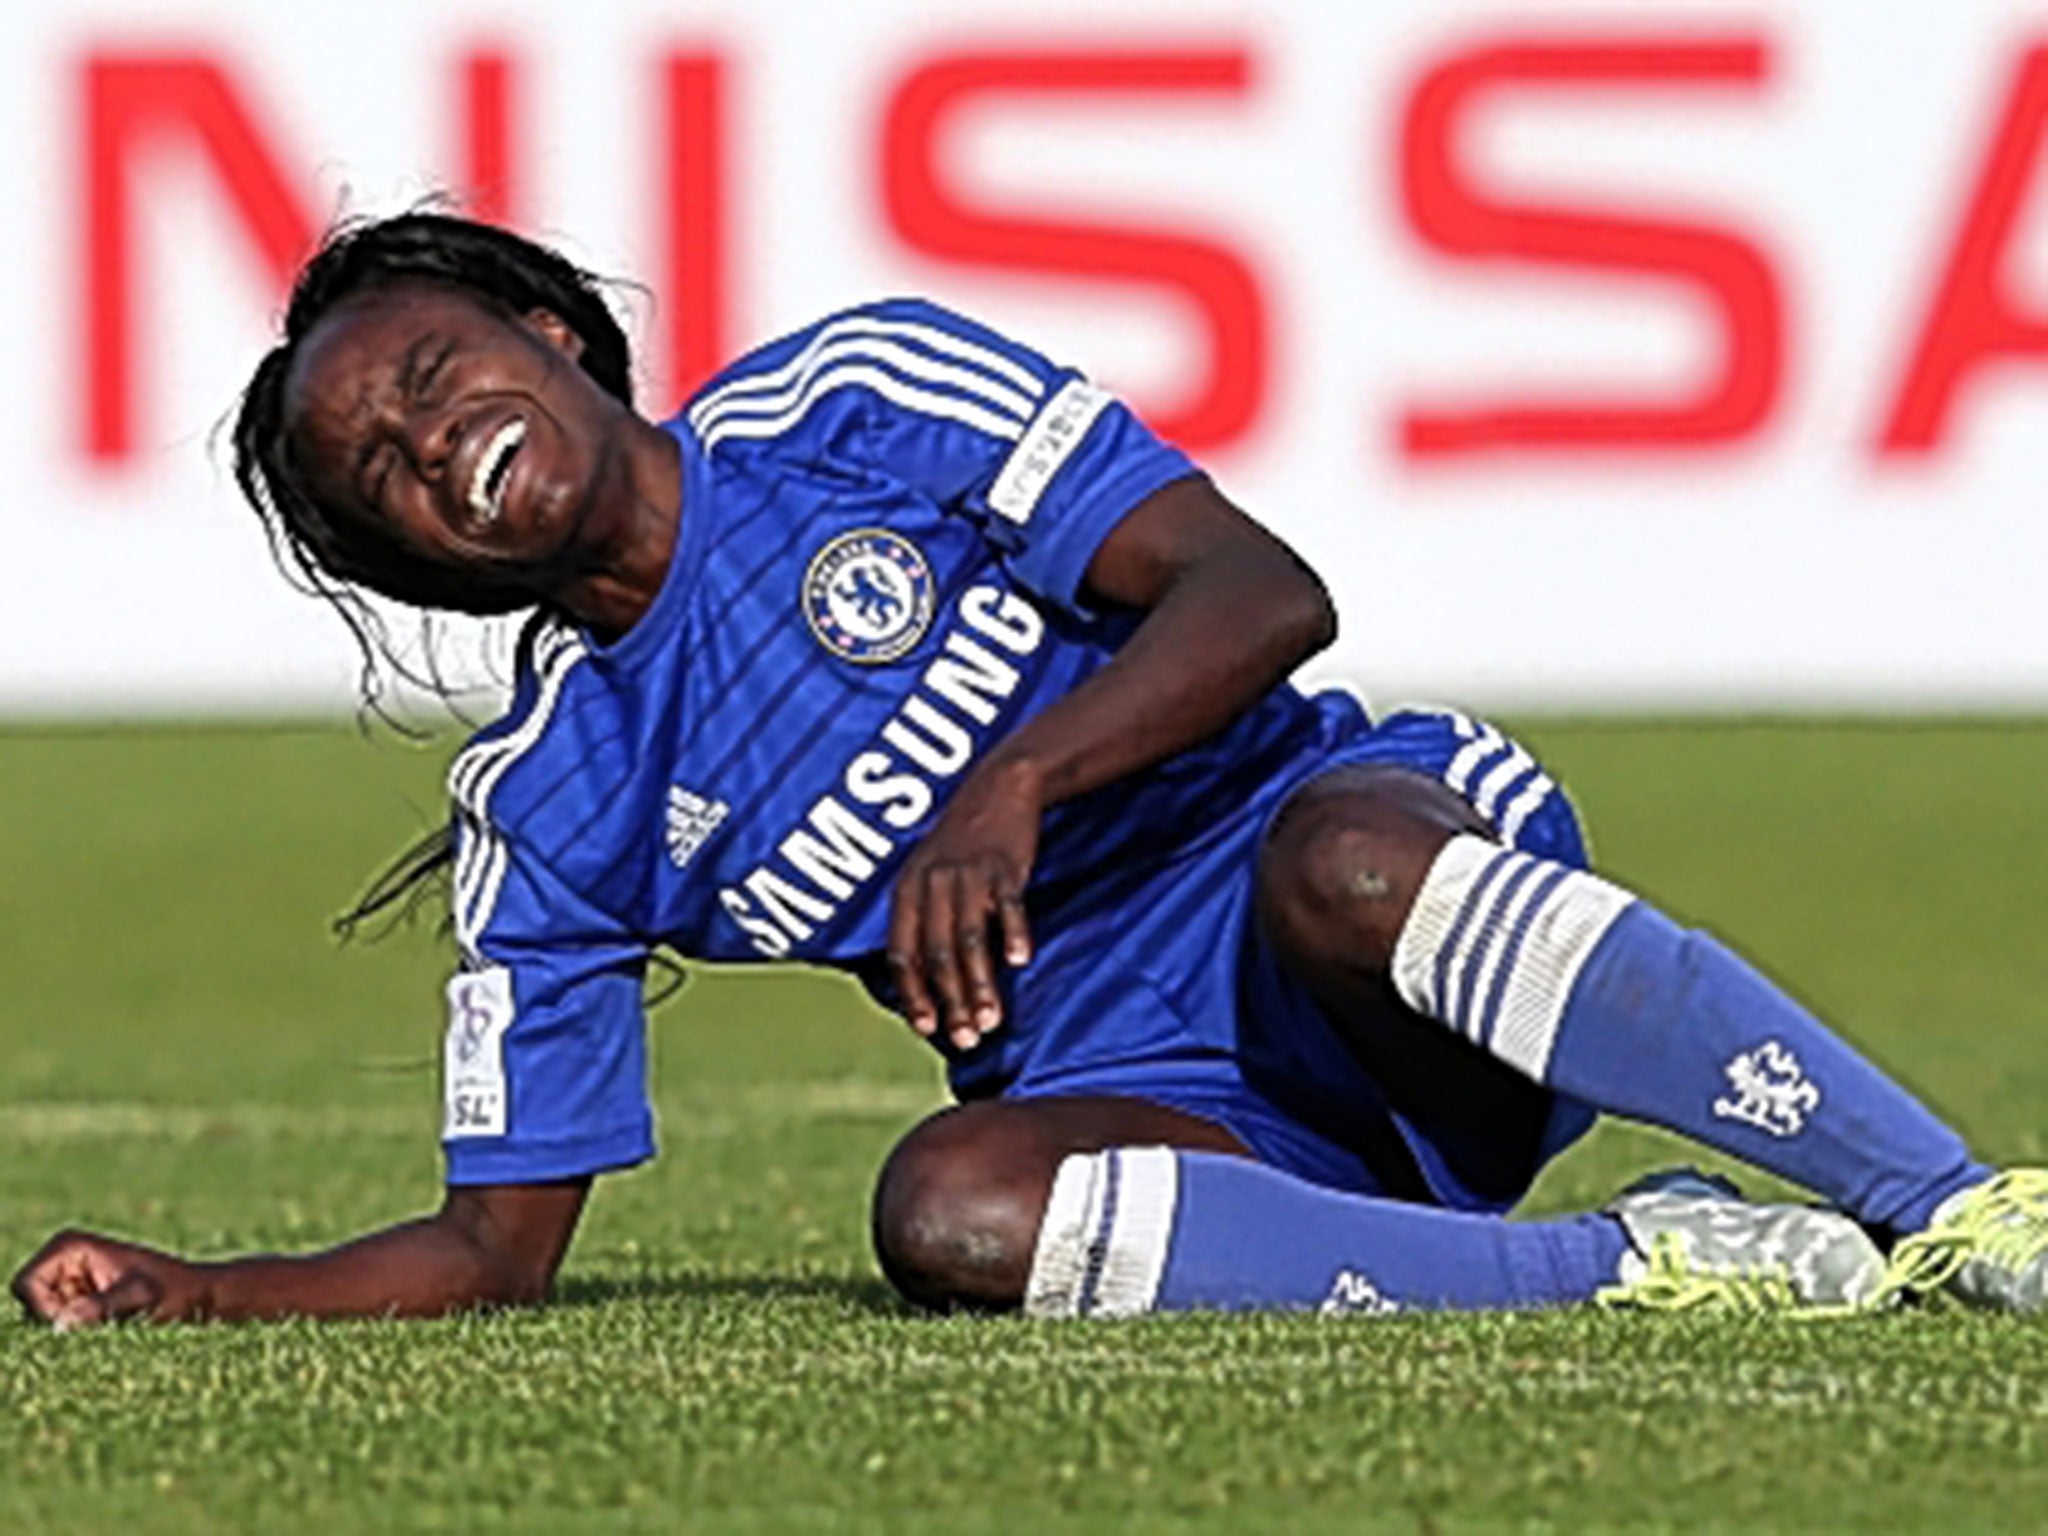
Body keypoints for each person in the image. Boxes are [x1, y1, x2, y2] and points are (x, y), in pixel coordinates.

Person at [12, 212, 2046, 1329]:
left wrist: (1019, 788)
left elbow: (1260, 592)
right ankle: (1645, 1267)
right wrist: (199, 1291)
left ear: (551, 327)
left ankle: (1959, 1208)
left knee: (1340, 859)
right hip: (1186, 1117)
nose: (426, 436)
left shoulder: (852, 394)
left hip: (1361, 910)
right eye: (374, 473)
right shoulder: (551, 810)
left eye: (439, 370)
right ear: (400, 564)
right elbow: (489, 1248)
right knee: (951, 1213)